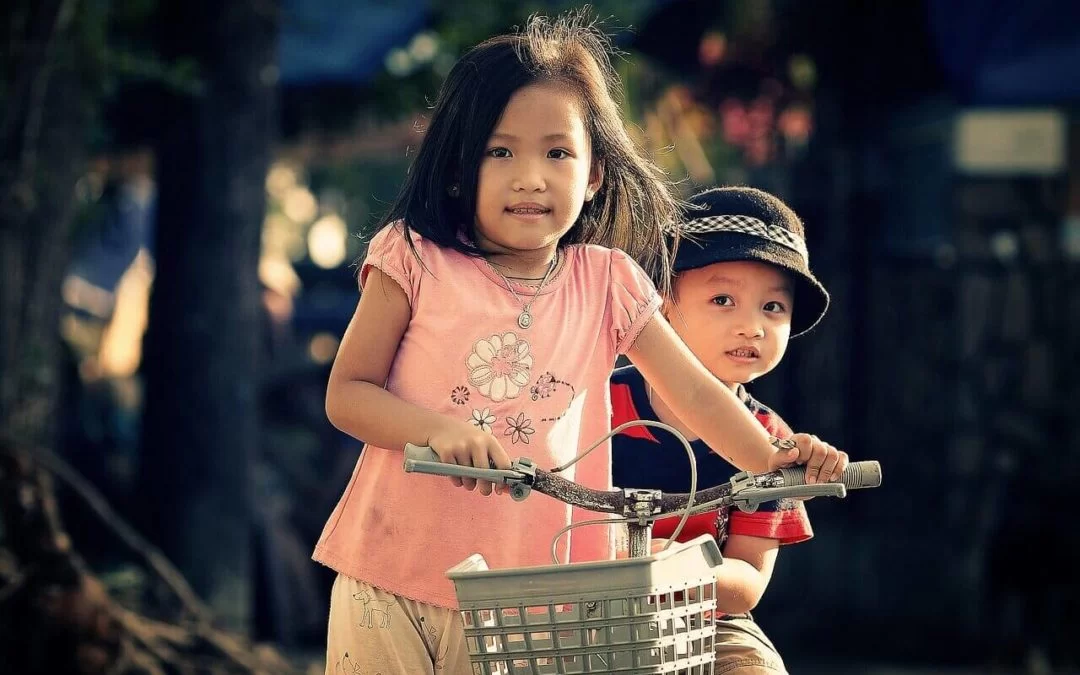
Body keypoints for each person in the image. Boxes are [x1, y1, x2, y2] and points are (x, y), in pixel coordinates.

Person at [314, 14, 843, 674]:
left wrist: (774, 455)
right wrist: (435, 430)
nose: (531, 177)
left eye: (557, 153)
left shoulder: (608, 282)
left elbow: (699, 395)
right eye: (499, 151)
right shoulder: (412, 257)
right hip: (390, 577)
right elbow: (348, 394)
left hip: (539, 604)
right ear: (455, 168)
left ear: (594, 174)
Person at [611, 186, 845, 673]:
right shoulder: (597, 403)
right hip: (588, 605)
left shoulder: (770, 442)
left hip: (708, 620)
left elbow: (748, 584)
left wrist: (674, 567)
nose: (752, 327)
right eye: (723, 299)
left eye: (772, 308)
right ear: (664, 302)